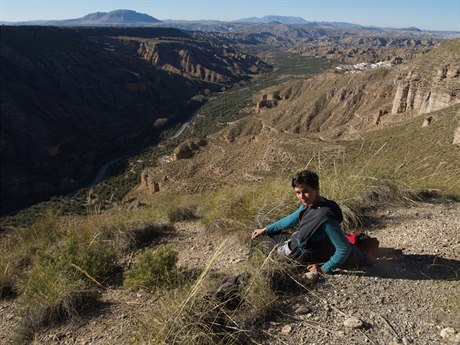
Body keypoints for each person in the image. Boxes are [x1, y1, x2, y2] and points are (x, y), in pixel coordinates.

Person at [252, 170, 361, 275]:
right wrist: (266, 229)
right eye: (298, 193)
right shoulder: (312, 203)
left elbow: (343, 249)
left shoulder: (325, 216)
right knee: (263, 235)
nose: (301, 197)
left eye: (306, 191)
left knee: (258, 243)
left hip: (297, 253)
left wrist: (324, 269)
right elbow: (291, 220)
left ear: (317, 189)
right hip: (296, 240)